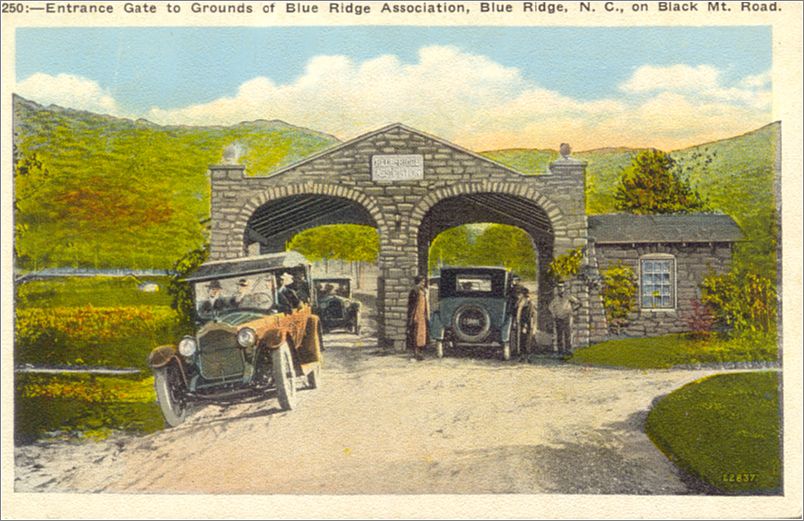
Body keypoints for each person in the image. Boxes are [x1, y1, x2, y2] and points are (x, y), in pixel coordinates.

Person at [548, 282, 580, 353]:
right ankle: (560, 351)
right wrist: (554, 314)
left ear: (564, 288)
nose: (560, 289)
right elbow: (550, 307)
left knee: (567, 334)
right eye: (559, 287)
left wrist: (572, 310)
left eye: (561, 287)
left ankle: (568, 350)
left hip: (567, 317)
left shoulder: (568, 296)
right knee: (559, 334)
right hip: (558, 318)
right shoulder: (555, 298)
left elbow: (578, 302)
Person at [406, 275, 429, 361]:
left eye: (424, 282)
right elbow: (411, 305)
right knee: (415, 334)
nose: (423, 283)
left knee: (422, 335)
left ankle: (420, 352)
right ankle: (416, 353)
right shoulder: (414, 291)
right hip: (416, 315)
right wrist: (413, 316)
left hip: (422, 315)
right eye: (422, 282)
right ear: (418, 282)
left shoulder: (423, 290)